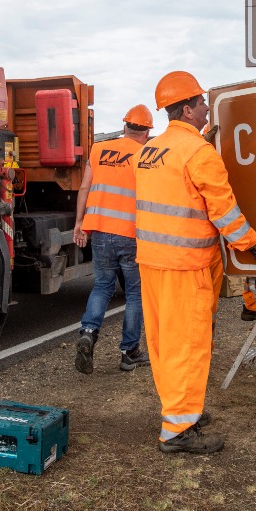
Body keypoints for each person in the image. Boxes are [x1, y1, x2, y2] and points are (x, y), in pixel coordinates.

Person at [135, 70, 256, 455]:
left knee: (165, 342)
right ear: (187, 109)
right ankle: (177, 431)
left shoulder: (152, 150)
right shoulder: (198, 153)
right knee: (188, 343)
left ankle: (182, 410)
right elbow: (225, 212)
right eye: (201, 102)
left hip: (153, 262)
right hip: (186, 265)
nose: (206, 106)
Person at [73, 105, 153, 374]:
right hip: (130, 235)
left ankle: (88, 332)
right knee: (134, 294)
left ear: (125, 127)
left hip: (99, 231)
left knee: (102, 287)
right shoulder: (145, 155)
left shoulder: (98, 150)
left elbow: (84, 187)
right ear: (146, 133)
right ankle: (129, 352)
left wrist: (79, 223)